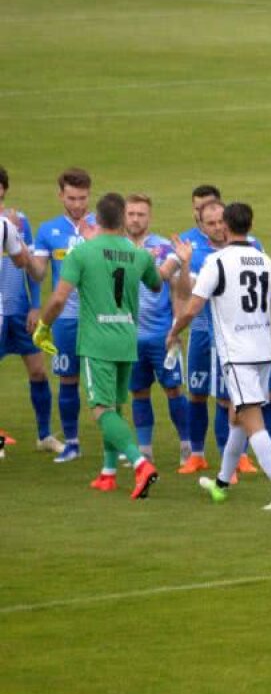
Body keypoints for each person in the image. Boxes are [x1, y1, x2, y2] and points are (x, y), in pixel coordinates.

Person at [167, 202, 271, 510]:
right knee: (237, 418)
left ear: (225, 225)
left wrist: (174, 332)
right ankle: (222, 483)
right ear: (250, 225)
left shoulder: (217, 261)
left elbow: (194, 305)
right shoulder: (264, 260)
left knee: (252, 422)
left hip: (237, 355)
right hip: (263, 351)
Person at [33, 192, 160, 498]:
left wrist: (43, 327)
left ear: (97, 219)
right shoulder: (138, 254)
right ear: (122, 221)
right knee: (115, 406)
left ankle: (140, 463)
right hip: (126, 338)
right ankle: (108, 472)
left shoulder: (83, 253)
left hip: (97, 342)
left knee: (101, 409)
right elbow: (156, 284)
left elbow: (60, 297)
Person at [30, 168, 95, 463]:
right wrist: (15, 242)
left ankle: (114, 445)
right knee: (68, 379)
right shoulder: (48, 230)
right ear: (60, 195)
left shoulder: (102, 226)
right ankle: (72, 442)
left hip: (98, 317)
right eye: (72, 198)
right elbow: (39, 272)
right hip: (66, 319)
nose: (78, 204)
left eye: (82, 198)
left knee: (106, 383)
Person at [124, 194, 193, 464]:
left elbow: (180, 291)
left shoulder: (165, 248)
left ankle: (187, 446)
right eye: (131, 214)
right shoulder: (116, 249)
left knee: (173, 389)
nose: (135, 219)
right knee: (138, 391)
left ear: (149, 218)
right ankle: (145, 451)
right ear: (123, 216)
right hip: (128, 336)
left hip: (161, 334)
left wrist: (176, 329)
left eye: (141, 214)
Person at [0, 167, 58, 454]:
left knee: (38, 371)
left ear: (4, 189)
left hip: (19, 310)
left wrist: (35, 305)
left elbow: (32, 267)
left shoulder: (18, 221)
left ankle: (44, 435)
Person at [177, 185, 226, 472]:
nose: (217, 227)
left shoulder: (242, 245)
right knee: (196, 392)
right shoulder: (193, 250)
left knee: (225, 397)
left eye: (221, 222)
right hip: (201, 330)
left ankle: (231, 459)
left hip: (228, 335)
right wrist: (183, 266)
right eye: (211, 223)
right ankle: (196, 454)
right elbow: (185, 293)